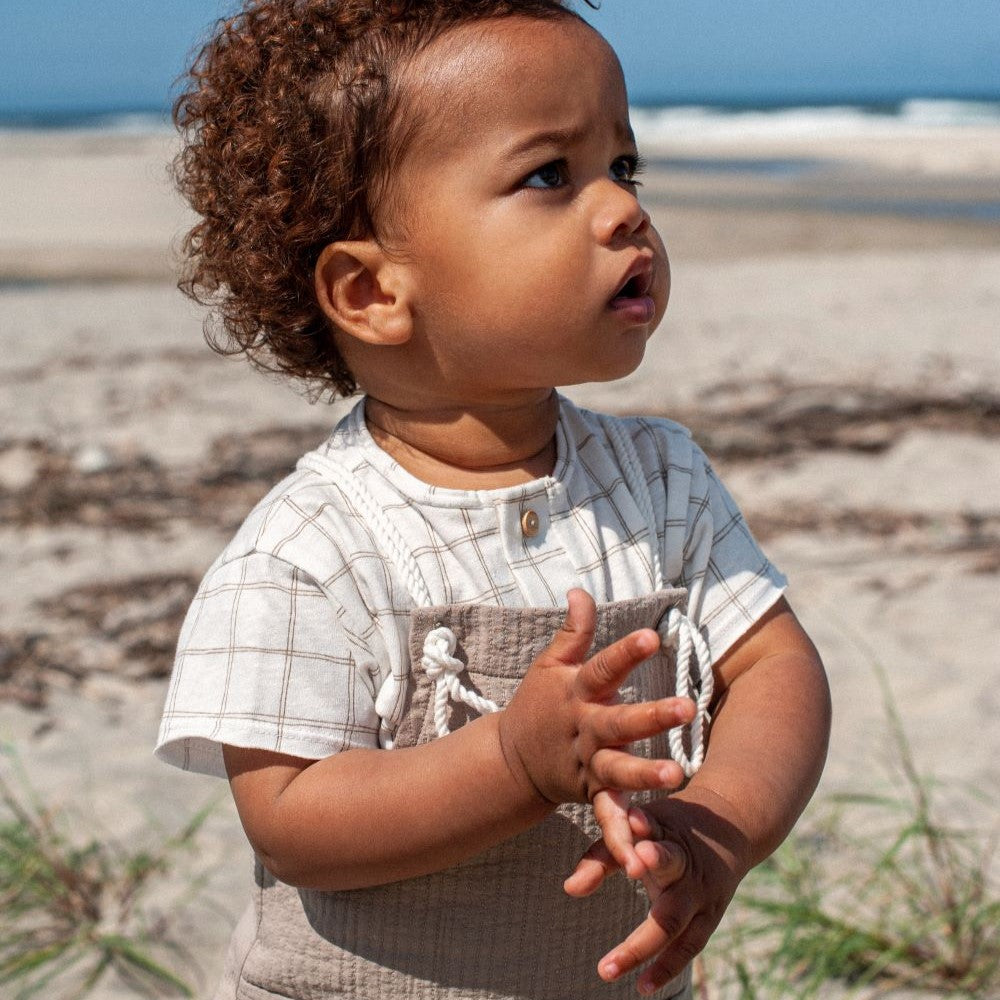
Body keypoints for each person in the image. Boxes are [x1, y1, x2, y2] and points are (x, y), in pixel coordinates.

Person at [155, 2, 831, 997]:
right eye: (550, 175)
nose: (623, 209)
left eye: (623, 165)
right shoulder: (311, 544)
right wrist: (510, 763)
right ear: (372, 293)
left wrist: (717, 825)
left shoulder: (660, 479)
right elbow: (291, 818)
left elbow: (775, 666)